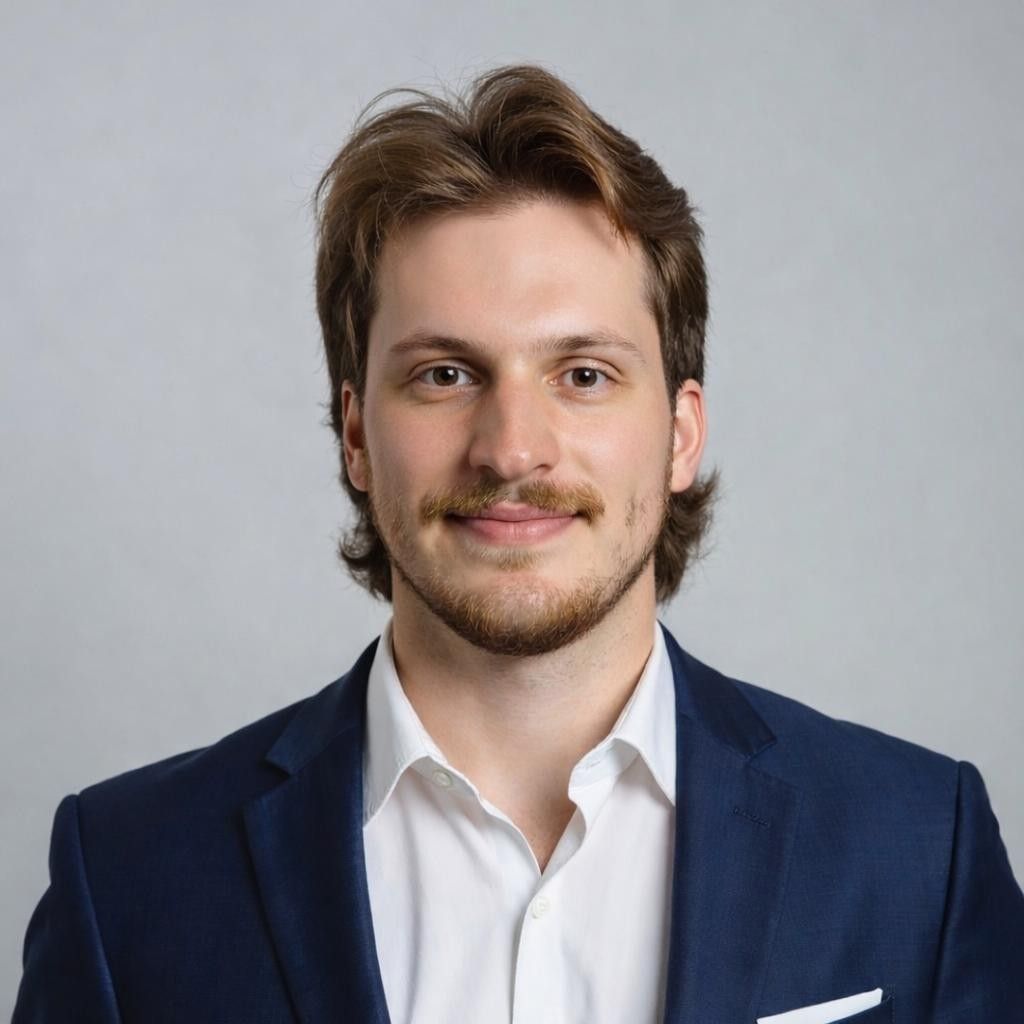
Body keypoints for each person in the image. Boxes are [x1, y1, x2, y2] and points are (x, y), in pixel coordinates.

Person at [13, 64, 1024, 1024]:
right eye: (445, 375)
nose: (511, 449)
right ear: (357, 431)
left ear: (679, 432)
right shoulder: (129, 878)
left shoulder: (917, 850)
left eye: (582, 374)